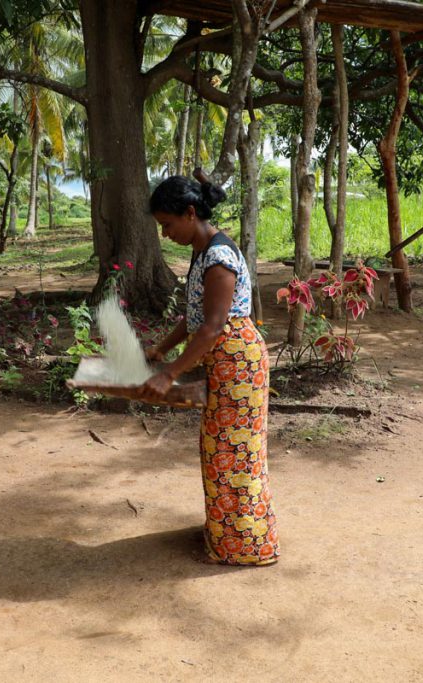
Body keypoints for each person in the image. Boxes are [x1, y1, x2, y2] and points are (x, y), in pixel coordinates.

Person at [140, 175, 279, 567]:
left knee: (237, 454)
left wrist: (169, 373)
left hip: (237, 360)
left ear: (190, 213)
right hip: (224, 358)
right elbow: (195, 315)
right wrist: (162, 348)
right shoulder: (203, 252)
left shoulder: (218, 257)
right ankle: (227, 535)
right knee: (220, 450)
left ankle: (247, 546)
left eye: (167, 224)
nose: (165, 234)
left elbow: (214, 326)